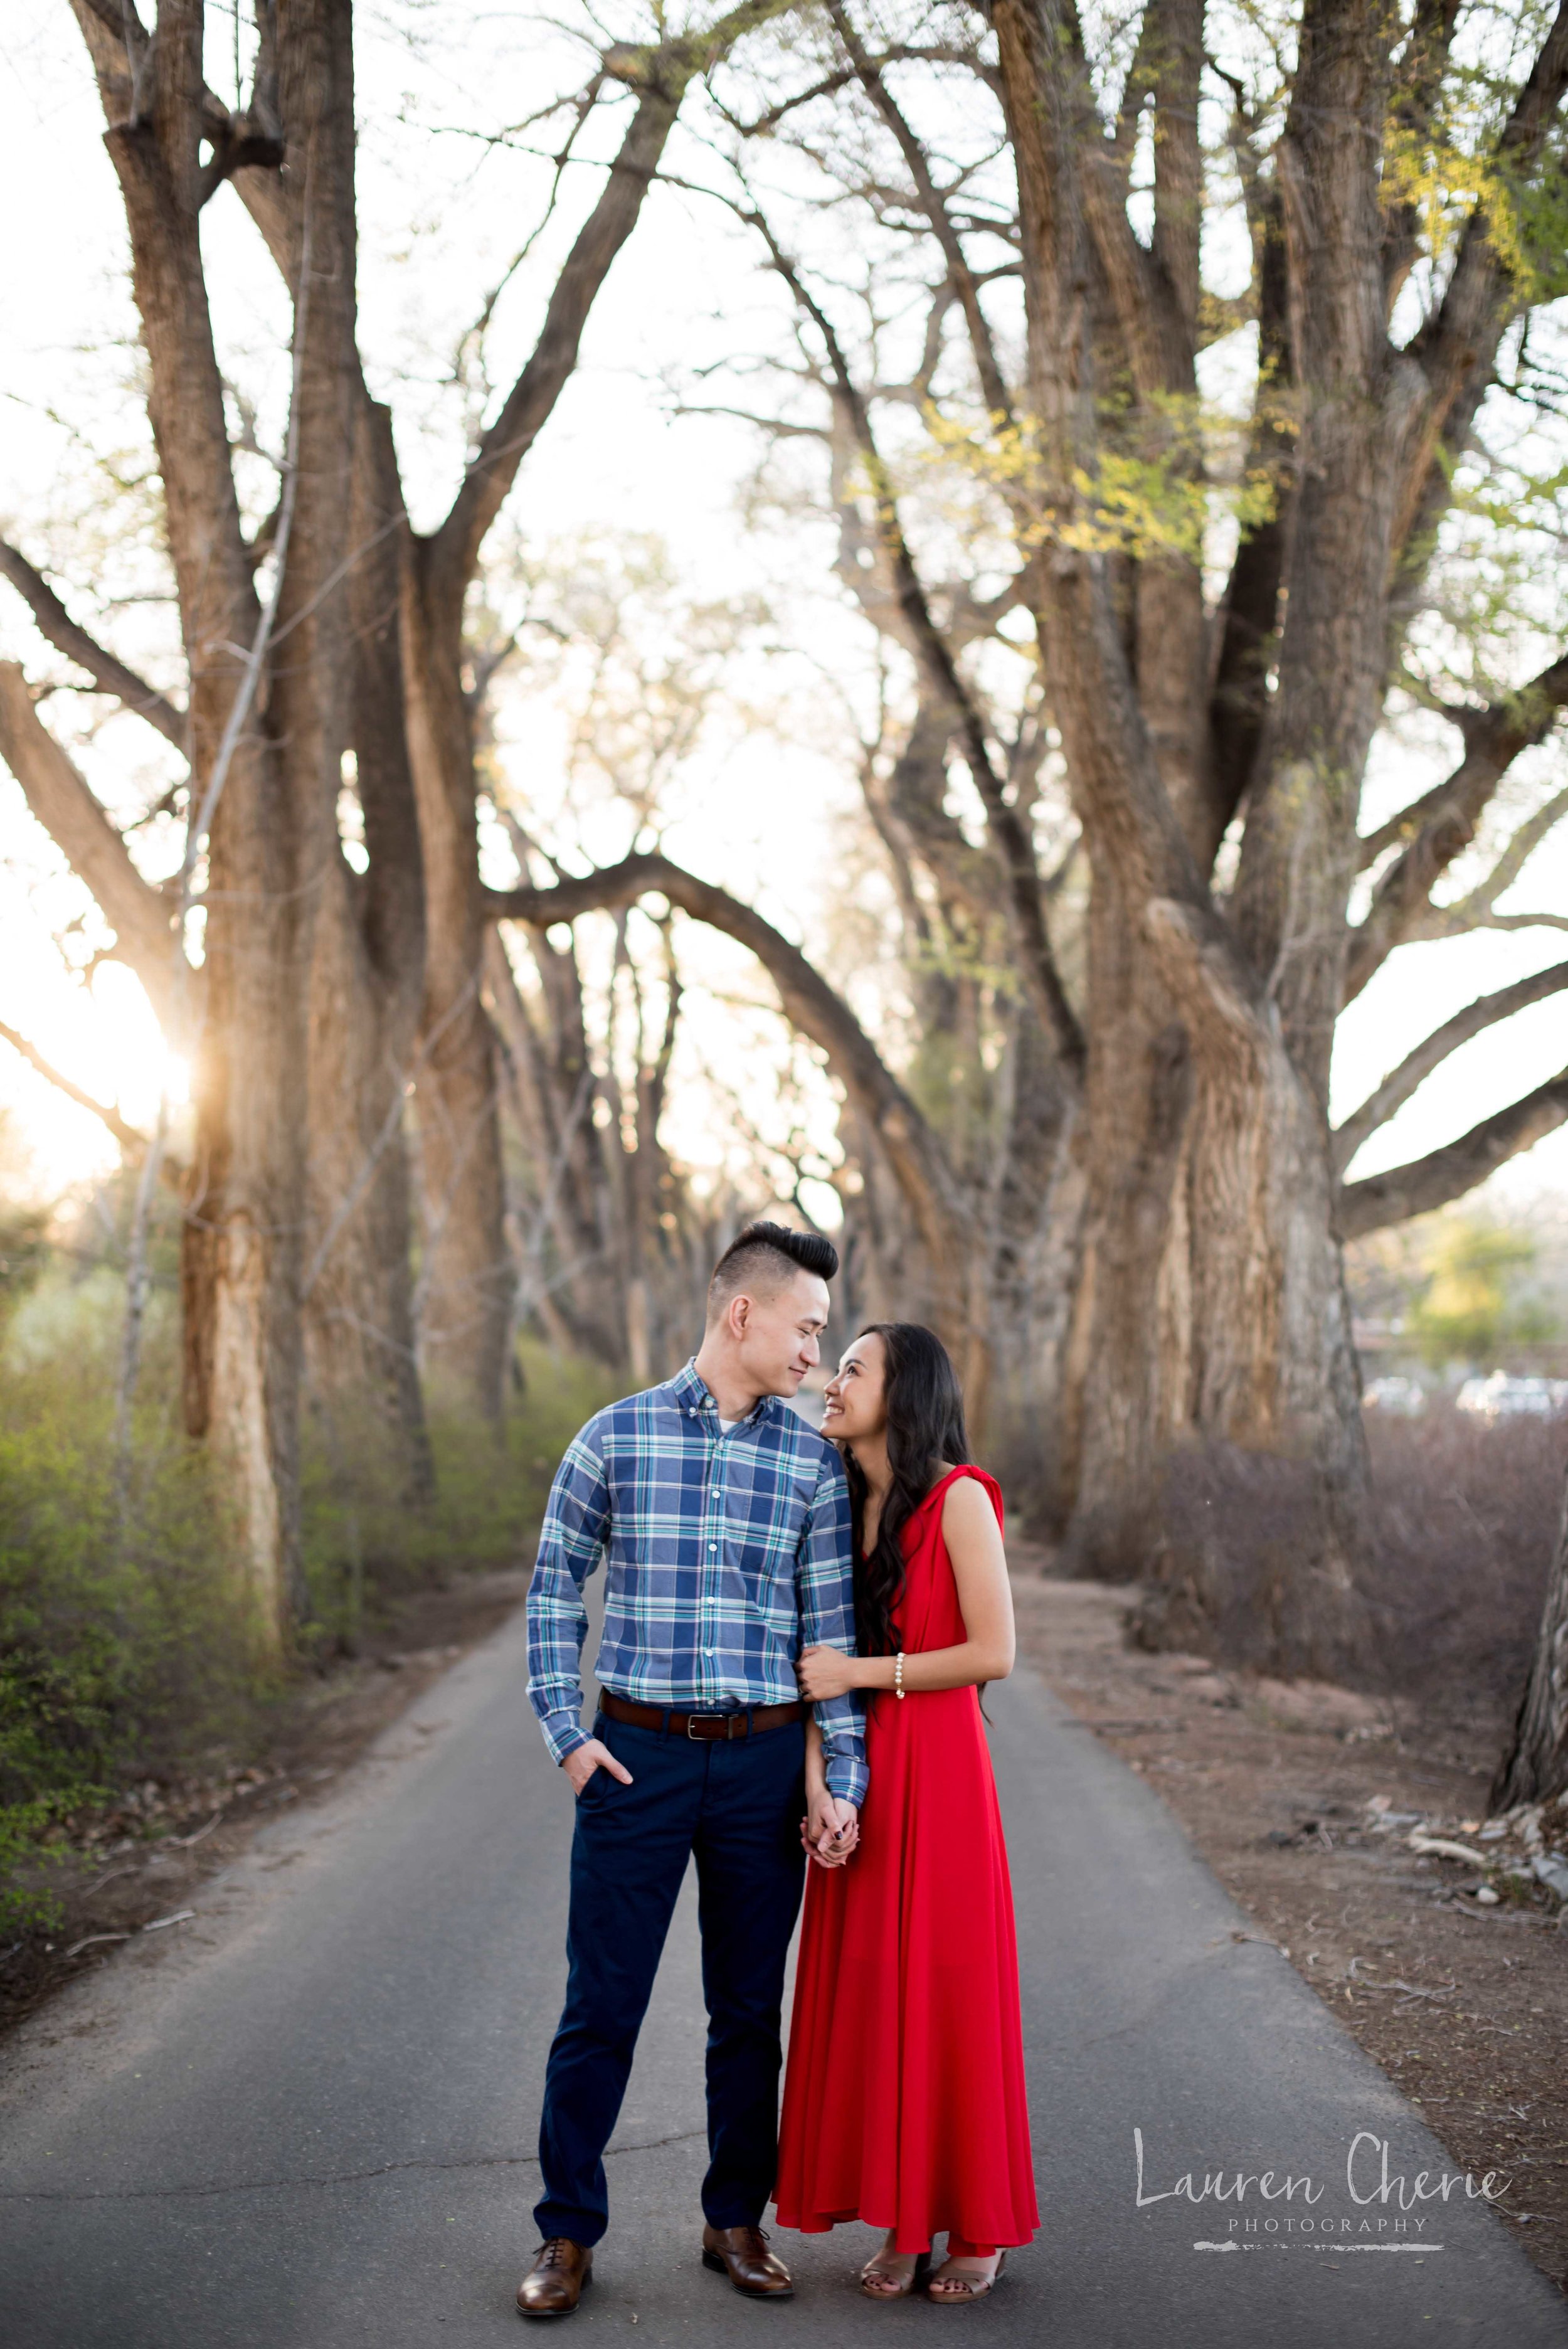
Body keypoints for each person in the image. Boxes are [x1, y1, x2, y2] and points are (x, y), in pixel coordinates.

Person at [517, 1222, 867, 2319]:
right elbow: (550, 1592)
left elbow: (829, 1637)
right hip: (635, 1761)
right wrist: (566, 1735)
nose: (816, 1350)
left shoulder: (810, 1461)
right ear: (741, 1314)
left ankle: (733, 2220)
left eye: (823, 1333)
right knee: (601, 2005)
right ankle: (566, 2232)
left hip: (762, 1764)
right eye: (806, 1327)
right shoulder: (612, 1438)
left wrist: (838, 1776)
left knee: (746, 2011)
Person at [773, 1322, 1039, 2301]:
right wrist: (818, 1787)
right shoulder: (835, 1503)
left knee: (948, 1991)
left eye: (853, 1367)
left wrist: (864, 1672)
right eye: (834, 1365)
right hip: (860, 1771)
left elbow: (993, 1651)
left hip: (945, 1769)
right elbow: (812, 1670)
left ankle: (976, 2222)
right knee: (876, 1994)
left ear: (907, 1390)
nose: (833, 1381)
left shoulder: (961, 1498)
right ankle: (901, 2218)